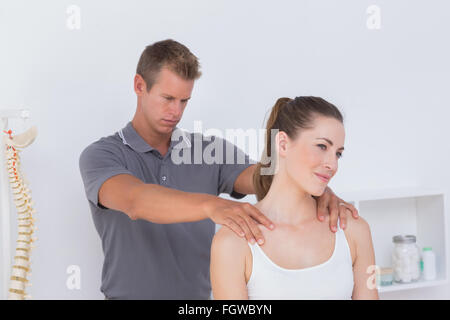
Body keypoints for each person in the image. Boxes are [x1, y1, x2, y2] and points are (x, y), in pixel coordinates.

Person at [78, 39, 359, 299]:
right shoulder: (102, 155)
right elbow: (135, 201)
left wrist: (315, 183)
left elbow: (265, 180)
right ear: (140, 85)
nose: (176, 111)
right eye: (167, 98)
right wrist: (213, 206)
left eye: (184, 101)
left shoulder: (208, 151)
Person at [210, 97, 379, 300]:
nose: (332, 165)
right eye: (322, 146)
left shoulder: (354, 230)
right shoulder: (232, 242)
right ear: (282, 144)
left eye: (338, 154)